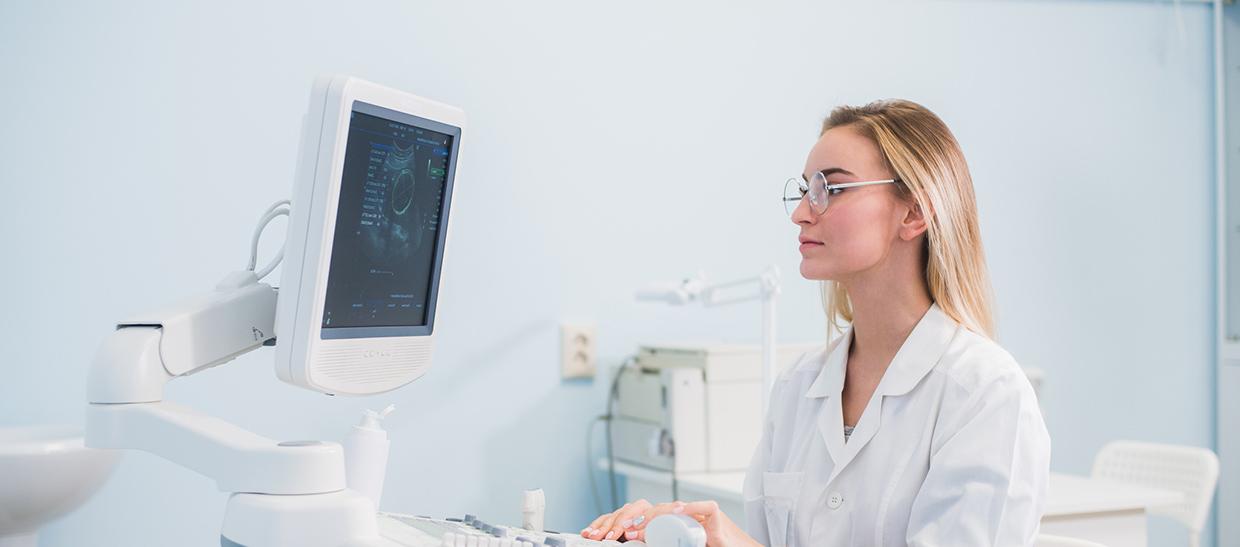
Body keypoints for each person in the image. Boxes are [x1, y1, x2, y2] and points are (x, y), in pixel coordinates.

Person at [581, 100, 1050, 546]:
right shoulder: (797, 388)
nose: (801, 212)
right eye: (806, 189)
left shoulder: (986, 396)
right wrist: (678, 534)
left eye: (831, 189)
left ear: (914, 212)